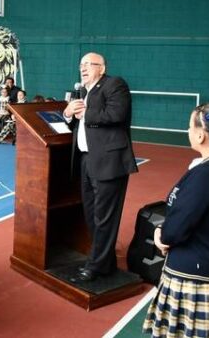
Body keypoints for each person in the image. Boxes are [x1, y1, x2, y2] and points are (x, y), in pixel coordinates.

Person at [143, 103, 209, 337]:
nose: (187, 131)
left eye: (190, 126)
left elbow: (177, 228)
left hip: (197, 278)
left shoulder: (205, 175)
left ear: (201, 135)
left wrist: (161, 235)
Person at [62, 52, 137, 281]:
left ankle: (95, 265)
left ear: (102, 68)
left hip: (109, 162)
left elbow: (117, 114)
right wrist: (67, 113)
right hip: (86, 160)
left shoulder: (115, 85)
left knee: (105, 217)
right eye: (81, 65)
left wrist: (84, 112)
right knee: (92, 214)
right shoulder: (82, 92)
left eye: (88, 64)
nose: (83, 68)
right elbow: (76, 122)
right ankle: (105, 261)